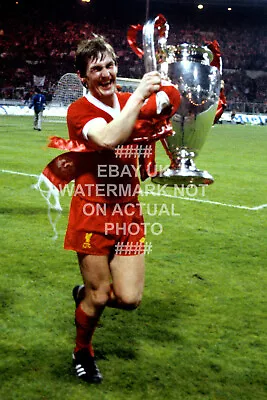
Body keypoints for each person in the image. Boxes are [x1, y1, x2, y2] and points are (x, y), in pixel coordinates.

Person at [48, 35, 180, 384]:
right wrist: (139, 96)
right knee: (100, 295)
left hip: (129, 214)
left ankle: (84, 295)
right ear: (83, 77)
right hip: (92, 213)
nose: (106, 73)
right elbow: (108, 137)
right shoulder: (80, 111)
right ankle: (82, 350)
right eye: (97, 69)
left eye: (109, 65)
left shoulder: (127, 100)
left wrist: (169, 76)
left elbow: (171, 104)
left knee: (129, 298)